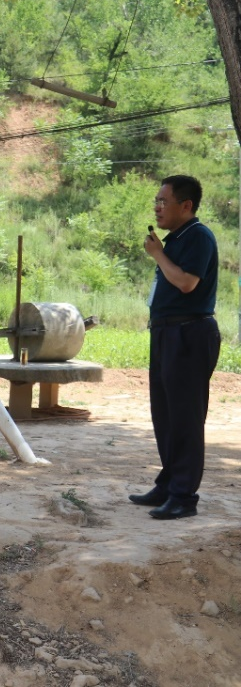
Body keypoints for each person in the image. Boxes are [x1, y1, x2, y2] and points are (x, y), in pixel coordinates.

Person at [129, 175, 220, 520]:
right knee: (165, 414)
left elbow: (186, 282)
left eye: (164, 201)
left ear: (186, 205)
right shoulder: (175, 239)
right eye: (156, 201)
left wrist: (157, 255)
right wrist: (162, 252)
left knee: (185, 417)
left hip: (189, 334)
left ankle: (184, 496)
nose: (157, 207)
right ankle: (168, 484)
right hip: (166, 333)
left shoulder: (198, 236)